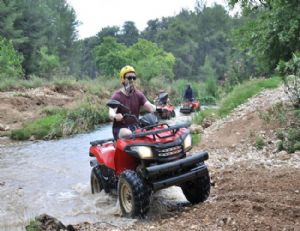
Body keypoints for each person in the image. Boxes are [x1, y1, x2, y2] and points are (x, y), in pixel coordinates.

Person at [108, 65, 156, 139]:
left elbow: (150, 107)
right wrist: (115, 116)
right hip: (121, 130)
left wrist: (156, 107)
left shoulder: (138, 94)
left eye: (134, 78)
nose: (132, 80)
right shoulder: (117, 96)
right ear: (123, 79)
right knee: (128, 133)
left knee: (156, 125)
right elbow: (111, 113)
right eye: (129, 78)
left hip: (135, 127)